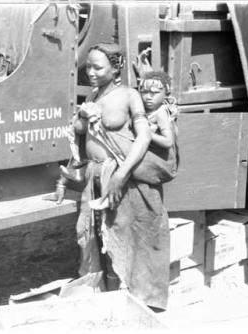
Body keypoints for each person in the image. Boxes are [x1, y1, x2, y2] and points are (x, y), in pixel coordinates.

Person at [73, 43, 170, 311]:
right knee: (99, 238)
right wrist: (83, 115)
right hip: (95, 176)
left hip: (123, 177)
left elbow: (144, 136)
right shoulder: (93, 94)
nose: (90, 72)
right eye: (88, 67)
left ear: (115, 68)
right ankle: (110, 300)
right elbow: (82, 130)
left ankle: (139, 305)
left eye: (97, 67)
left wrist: (120, 175)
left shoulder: (129, 95)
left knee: (127, 237)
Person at [89, 70, 178, 210]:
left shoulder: (160, 113)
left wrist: (147, 134)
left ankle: (105, 200)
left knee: (127, 169)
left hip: (156, 157)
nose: (148, 97)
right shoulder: (143, 108)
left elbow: (168, 142)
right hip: (144, 153)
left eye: (154, 93)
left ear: (166, 93)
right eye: (144, 92)